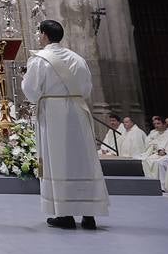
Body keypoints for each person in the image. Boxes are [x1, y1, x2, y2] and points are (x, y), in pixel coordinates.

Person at [22, 19, 109, 230]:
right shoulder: (78, 58)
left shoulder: (40, 60)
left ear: (44, 35)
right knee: (83, 160)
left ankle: (65, 214)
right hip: (78, 111)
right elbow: (86, 88)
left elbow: (31, 90)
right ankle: (89, 215)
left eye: (39, 33)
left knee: (59, 160)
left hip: (54, 113)